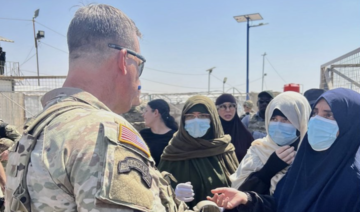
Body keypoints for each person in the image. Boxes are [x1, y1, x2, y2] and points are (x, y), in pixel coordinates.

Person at [5, 4, 196, 212]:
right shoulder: (103, 131)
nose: (138, 76)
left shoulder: (36, 128)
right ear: (124, 60)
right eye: (139, 65)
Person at [208, 88, 360, 212]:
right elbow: (281, 204)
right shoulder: (307, 161)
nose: (318, 120)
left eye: (329, 115)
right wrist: (248, 198)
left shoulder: (353, 183)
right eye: (315, 113)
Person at [158, 95, 239, 208]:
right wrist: (172, 194)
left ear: (213, 119)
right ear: (183, 119)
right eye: (190, 116)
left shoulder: (225, 149)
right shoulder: (174, 150)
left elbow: (240, 188)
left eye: (202, 116)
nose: (196, 120)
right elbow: (156, 192)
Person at [230, 92, 311, 195]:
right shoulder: (258, 150)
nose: (278, 125)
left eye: (285, 119)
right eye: (273, 119)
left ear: (301, 121)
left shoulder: (310, 155)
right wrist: (267, 171)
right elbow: (238, 193)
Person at [215, 94, 254, 163]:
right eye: (222, 106)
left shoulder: (244, 134)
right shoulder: (212, 133)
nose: (227, 110)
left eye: (231, 106)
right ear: (216, 110)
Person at [140, 99, 178, 165]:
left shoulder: (174, 137)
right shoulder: (143, 134)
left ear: (155, 113)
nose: (143, 115)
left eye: (146, 111)